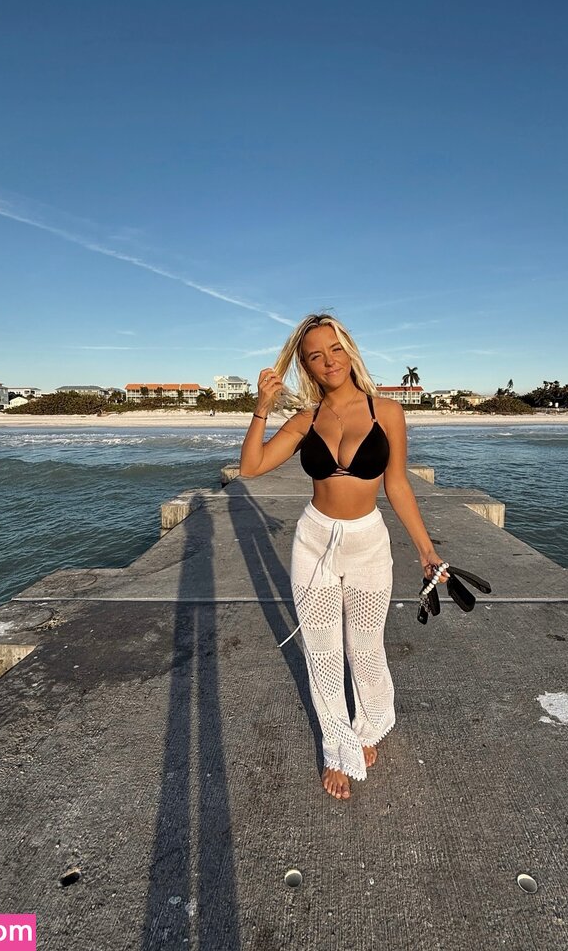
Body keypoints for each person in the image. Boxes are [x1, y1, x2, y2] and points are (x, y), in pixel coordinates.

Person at [239, 313, 448, 801]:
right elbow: (251, 466)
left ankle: (370, 725)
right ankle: (337, 747)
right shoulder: (305, 420)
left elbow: (397, 484)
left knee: (366, 649)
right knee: (323, 653)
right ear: (306, 367)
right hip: (314, 542)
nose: (328, 361)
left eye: (334, 349)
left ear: (349, 351)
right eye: (315, 355)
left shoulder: (387, 412)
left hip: (367, 542)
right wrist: (261, 409)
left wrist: (426, 549)